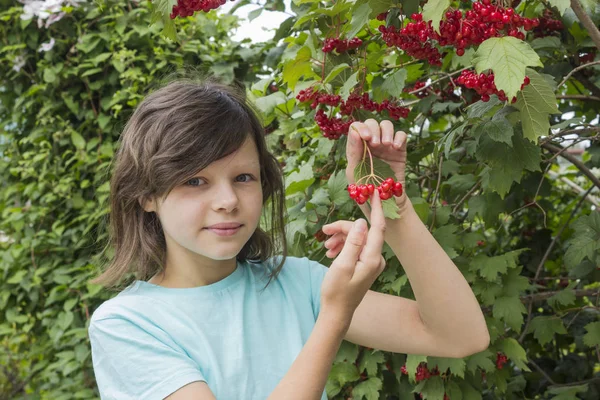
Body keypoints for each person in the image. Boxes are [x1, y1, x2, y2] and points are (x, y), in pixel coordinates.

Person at [88, 74, 490, 400]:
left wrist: (389, 208)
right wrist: (334, 316)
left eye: (243, 177)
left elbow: (460, 336)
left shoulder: (295, 283)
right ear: (145, 196)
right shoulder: (127, 325)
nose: (227, 201)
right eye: (196, 181)